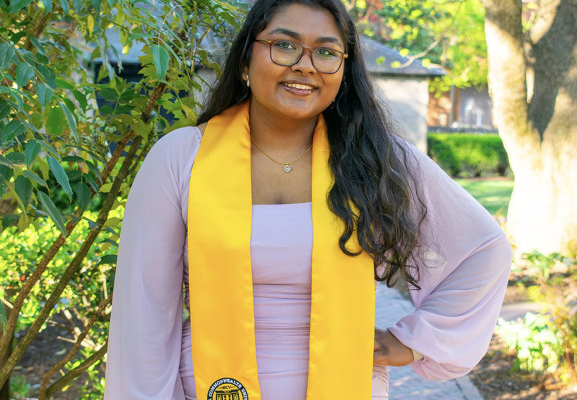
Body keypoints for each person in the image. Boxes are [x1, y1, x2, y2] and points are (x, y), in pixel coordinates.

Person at [104, 0, 512, 398]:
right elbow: (144, 314)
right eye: (284, 45)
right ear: (245, 61)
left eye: (326, 52)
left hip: (348, 382)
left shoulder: (379, 159)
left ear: (343, 73)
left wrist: (414, 340)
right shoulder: (180, 158)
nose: (305, 64)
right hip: (212, 385)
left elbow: (484, 250)